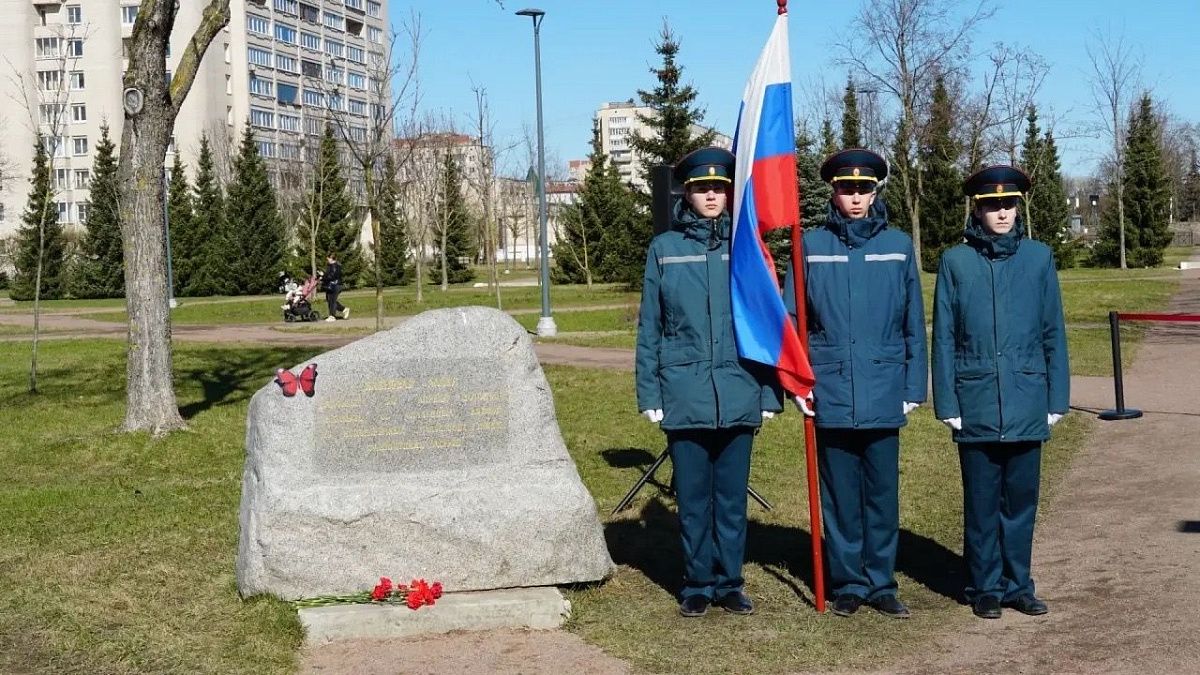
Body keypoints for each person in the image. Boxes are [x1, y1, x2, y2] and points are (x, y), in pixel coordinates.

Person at [635, 147, 783, 618]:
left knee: (731, 500)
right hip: (685, 392)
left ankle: (730, 581)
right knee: (694, 499)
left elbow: (766, 325)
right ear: (688, 194)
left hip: (739, 387)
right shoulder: (664, 249)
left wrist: (769, 391)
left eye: (719, 188)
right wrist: (649, 391)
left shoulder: (748, 247)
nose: (712, 196)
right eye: (702, 189)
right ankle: (698, 582)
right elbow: (650, 327)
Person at [783, 148, 927, 619]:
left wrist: (913, 387)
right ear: (834, 193)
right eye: (847, 189)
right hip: (831, 389)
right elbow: (792, 319)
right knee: (841, 495)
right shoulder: (810, 246)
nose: (856, 198)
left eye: (864, 189)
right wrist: (797, 383)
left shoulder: (899, 246)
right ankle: (848, 582)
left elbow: (912, 322)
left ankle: (881, 582)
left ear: (875, 193)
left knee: (881, 494)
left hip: (884, 387)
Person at [931, 165, 1069, 620]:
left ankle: (1018, 585)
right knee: (982, 502)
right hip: (976, 401)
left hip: (1028, 397)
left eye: (1009, 204)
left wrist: (1056, 398)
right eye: (992, 205)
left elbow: (1053, 331)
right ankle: (985, 586)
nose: (1003, 213)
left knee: (1021, 503)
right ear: (977, 210)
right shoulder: (956, 262)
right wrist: (947, 401)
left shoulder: (1039, 258)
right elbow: (945, 336)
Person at [323, 253, 348, 322]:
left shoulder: (335, 266)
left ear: (331, 258)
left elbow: (332, 276)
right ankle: (344, 309)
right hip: (331, 285)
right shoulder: (330, 266)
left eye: (328, 258)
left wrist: (323, 277)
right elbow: (329, 275)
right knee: (329, 300)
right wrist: (323, 276)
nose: (327, 260)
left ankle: (332, 316)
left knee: (332, 300)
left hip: (336, 285)